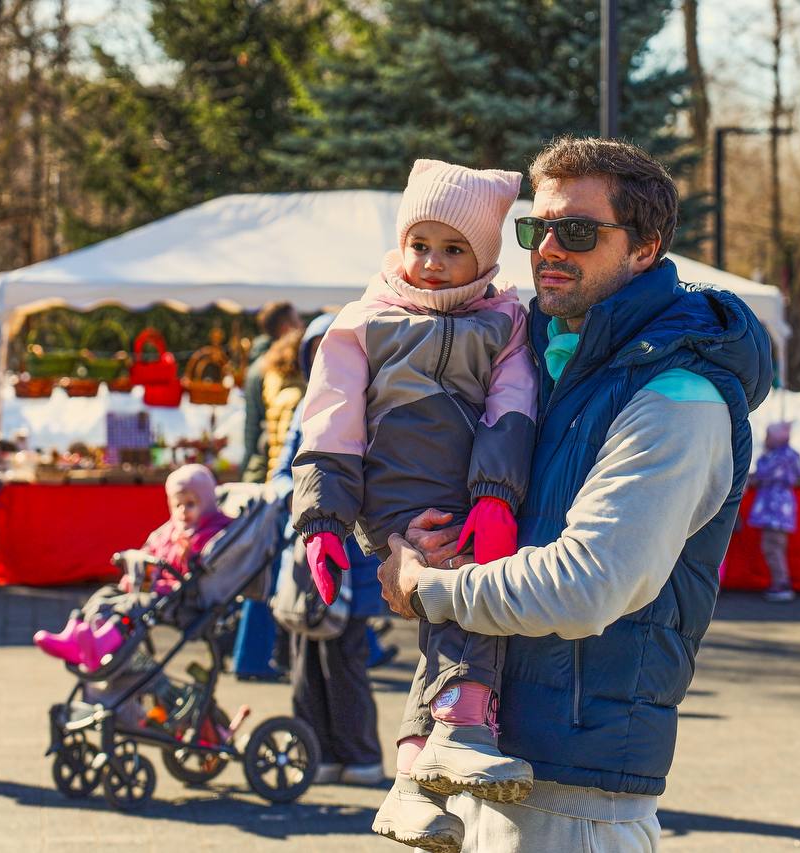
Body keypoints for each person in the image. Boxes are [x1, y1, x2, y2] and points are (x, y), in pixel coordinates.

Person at [378, 136, 772, 852]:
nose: (549, 248)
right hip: (481, 765)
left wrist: (430, 588)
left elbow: (587, 585)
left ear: (646, 247)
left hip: (574, 801)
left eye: (580, 232)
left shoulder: (680, 395)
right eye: (538, 228)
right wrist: (412, 537)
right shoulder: (541, 362)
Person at [289, 160, 537, 850]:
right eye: (420, 244)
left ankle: (411, 780)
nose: (431, 262)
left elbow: (510, 407)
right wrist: (322, 518)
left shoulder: (504, 321)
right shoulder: (364, 320)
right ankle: (461, 727)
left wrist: (495, 495)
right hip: (393, 489)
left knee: (450, 612)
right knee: (468, 598)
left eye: (454, 249)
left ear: (484, 258)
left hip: (464, 490)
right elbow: (330, 419)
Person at [271, 311, 389, 785]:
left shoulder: (375, 411)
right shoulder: (307, 413)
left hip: (353, 562)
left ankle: (359, 756)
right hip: (307, 562)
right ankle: (316, 751)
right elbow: (282, 473)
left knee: (344, 663)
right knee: (304, 662)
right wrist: (295, 498)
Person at [33, 464, 231, 669]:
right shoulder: (170, 531)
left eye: (191, 504)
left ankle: (101, 644)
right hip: (154, 587)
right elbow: (151, 552)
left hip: (180, 599)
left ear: (206, 503)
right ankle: (75, 634)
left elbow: (197, 570)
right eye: (177, 505)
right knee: (107, 593)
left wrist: (186, 553)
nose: (183, 511)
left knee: (134, 606)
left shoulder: (209, 533)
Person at [243, 301, 301, 483]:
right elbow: (254, 424)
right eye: (298, 321)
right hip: (272, 457)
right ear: (286, 328)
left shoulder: (257, 367)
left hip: (267, 458)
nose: (302, 326)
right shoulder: (276, 369)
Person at [748, 421, 800, 602]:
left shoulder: (776, 458)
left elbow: (762, 475)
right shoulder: (791, 456)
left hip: (774, 511)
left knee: (772, 547)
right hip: (783, 510)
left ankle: (781, 584)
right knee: (777, 546)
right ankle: (780, 582)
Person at [261, 328, 307, 476]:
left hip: (276, 476)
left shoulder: (278, 389)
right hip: (287, 482)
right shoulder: (296, 396)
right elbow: (287, 446)